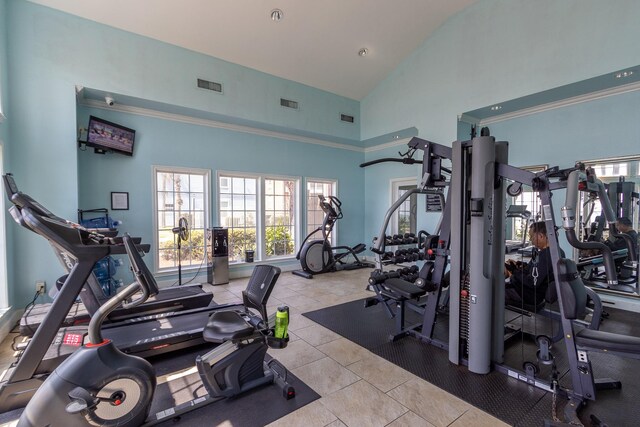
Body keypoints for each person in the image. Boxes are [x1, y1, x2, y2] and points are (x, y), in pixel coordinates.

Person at [504, 221, 556, 307]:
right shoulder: (545, 252)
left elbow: (532, 282)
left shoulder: (545, 257)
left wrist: (514, 271)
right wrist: (519, 265)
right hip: (528, 291)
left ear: (541, 236)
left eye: (532, 236)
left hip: (529, 295)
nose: (531, 240)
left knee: (493, 292)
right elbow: (532, 269)